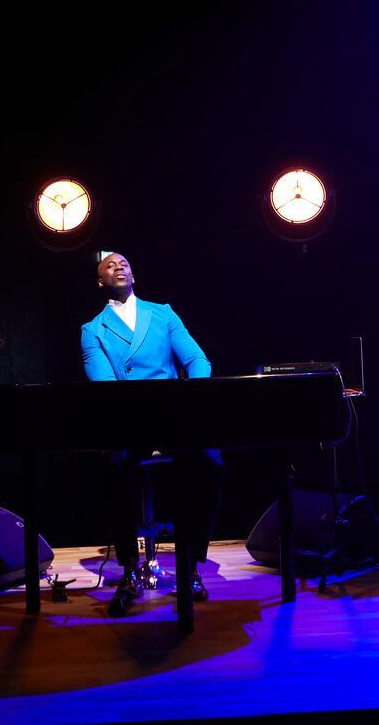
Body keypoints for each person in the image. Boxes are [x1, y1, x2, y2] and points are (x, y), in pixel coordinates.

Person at [81, 251, 222, 616]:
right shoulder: (92, 330)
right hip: (131, 422)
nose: (119, 266)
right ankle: (129, 569)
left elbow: (197, 360)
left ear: (134, 274)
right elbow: (104, 386)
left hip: (174, 417)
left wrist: (190, 399)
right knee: (113, 467)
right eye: (109, 265)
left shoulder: (163, 313)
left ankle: (190, 565)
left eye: (124, 262)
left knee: (210, 462)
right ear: (100, 282)